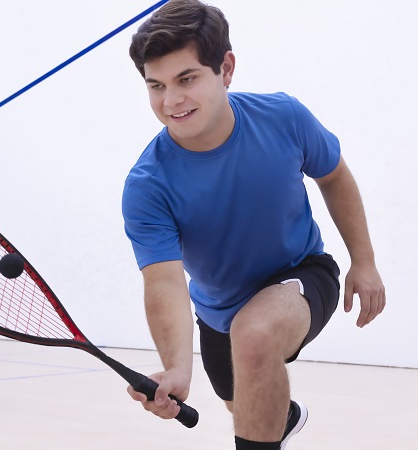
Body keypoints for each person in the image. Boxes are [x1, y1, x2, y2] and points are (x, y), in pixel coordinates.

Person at [121, 1, 386, 448]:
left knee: (255, 336)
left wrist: (365, 261)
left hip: (303, 273)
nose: (171, 101)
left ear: (225, 68)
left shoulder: (284, 117)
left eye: (187, 79)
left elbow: (334, 176)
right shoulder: (147, 185)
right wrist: (176, 367)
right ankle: (284, 417)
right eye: (156, 86)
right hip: (217, 312)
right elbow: (164, 282)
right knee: (248, 403)